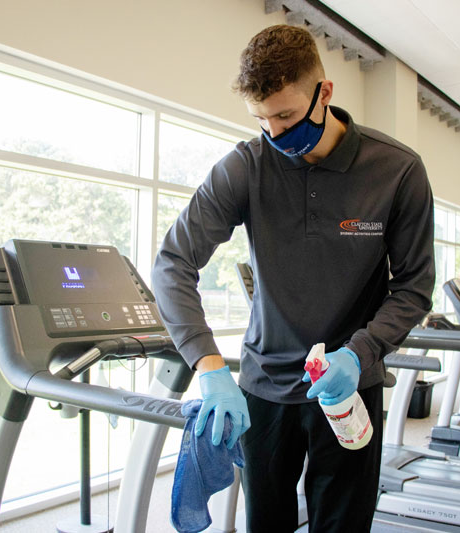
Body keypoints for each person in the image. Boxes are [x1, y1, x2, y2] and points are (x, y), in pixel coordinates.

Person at [152, 24, 434, 533]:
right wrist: (209, 368)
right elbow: (173, 262)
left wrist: (361, 352)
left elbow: (413, 286)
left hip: (348, 385)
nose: (275, 134)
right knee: (267, 524)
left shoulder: (397, 170)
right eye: (261, 119)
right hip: (264, 387)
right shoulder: (246, 166)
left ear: (324, 93)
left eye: (284, 115)